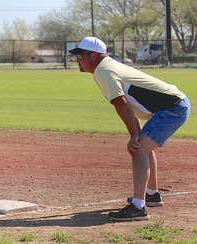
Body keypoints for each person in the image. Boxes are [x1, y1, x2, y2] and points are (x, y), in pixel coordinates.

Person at [69, 37, 190, 221]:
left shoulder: (103, 70)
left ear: (93, 55)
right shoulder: (106, 67)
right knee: (142, 145)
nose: (77, 59)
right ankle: (151, 195)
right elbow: (128, 103)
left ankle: (138, 207)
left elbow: (122, 104)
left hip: (172, 108)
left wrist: (134, 135)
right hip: (173, 105)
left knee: (139, 148)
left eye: (80, 55)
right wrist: (136, 133)